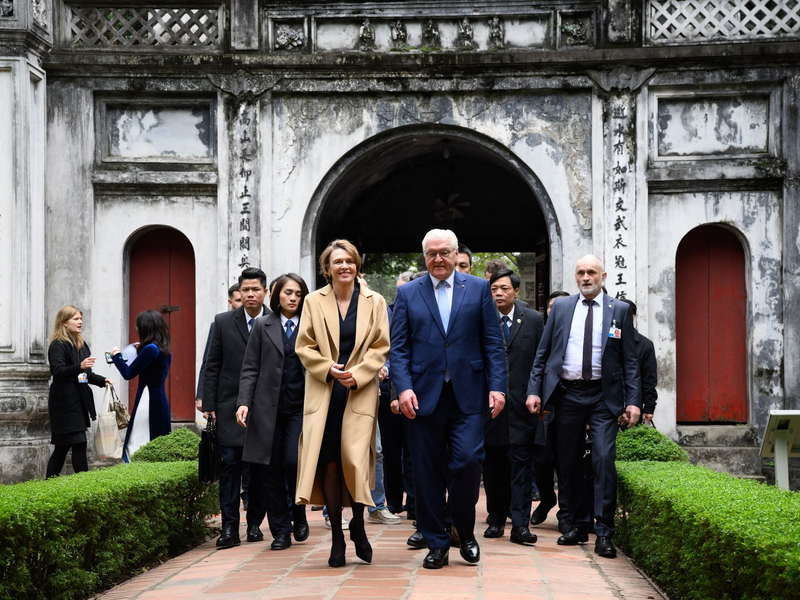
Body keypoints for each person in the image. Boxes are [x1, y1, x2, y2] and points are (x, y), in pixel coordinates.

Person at [390, 228, 506, 569]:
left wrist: (498, 387)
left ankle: (464, 532)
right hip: (422, 397)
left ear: (456, 255)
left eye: (444, 252)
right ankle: (437, 542)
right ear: (424, 257)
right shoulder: (409, 293)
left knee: (468, 462)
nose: (438, 259)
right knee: (425, 474)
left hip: (468, 394)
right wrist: (404, 387)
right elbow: (398, 348)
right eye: (431, 254)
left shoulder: (480, 290)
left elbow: (492, 343)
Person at [526, 255, 641, 559]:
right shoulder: (562, 308)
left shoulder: (620, 310)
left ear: (603, 275)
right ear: (575, 277)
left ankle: (604, 531)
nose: (586, 277)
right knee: (569, 463)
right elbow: (544, 353)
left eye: (591, 272)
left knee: (603, 459)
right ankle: (577, 524)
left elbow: (630, 361)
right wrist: (534, 391)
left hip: (603, 398)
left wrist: (633, 401)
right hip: (567, 396)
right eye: (580, 272)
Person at [295, 239, 390, 568]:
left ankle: (359, 524)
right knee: (330, 463)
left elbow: (381, 346)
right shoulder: (312, 301)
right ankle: (337, 534)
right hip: (324, 390)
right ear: (327, 268)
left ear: (356, 266)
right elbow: (304, 345)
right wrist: (327, 368)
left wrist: (360, 373)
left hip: (358, 389)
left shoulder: (375, 301)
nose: (344, 266)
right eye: (338, 262)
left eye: (349, 261)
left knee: (355, 460)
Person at [237, 273, 310, 551]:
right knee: (269, 470)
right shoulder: (261, 325)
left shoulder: (310, 324)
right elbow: (250, 367)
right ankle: (281, 530)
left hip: (300, 407)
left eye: (298, 294)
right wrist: (244, 402)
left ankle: (298, 513)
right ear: (276, 295)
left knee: (293, 462)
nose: (293, 298)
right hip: (266, 409)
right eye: (288, 293)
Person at [203, 267, 270, 549]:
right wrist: (209, 404)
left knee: (257, 470)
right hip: (229, 405)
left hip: (265, 407)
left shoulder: (275, 321)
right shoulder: (222, 322)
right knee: (229, 467)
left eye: (256, 289)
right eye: (246, 290)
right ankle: (229, 527)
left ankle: (254, 523)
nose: (250, 294)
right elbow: (212, 364)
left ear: (265, 291)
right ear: (238, 293)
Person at [483, 269, 543, 545]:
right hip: (490, 405)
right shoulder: (481, 319)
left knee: (521, 465)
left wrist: (537, 394)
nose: (498, 293)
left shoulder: (534, 320)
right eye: (494, 288)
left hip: (522, 405)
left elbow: (540, 362)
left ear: (516, 292)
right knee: (494, 465)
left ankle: (520, 525)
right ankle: (495, 519)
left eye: (504, 288)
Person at [45, 306, 113, 478]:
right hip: (64, 403)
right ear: (64, 322)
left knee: (62, 447)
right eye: (76, 319)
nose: (80, 321)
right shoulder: (57, 345)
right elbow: (58, 371)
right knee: (78, 443)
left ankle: (48, 483)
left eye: (81, 318)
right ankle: (84, 486)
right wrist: (79, 366)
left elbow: (85, 374)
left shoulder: (81, 344)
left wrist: (101, 381)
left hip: (78, 401)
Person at [529, 290, 572, 533]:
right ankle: (547, 498)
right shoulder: (539, 330)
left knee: (566, 461)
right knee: (542, 458)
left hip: (569, 404)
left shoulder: (577, 332)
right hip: (544, 406)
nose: (555, 310)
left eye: (560, 306)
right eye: (551, 306)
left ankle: (565, 513)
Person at [110, 310, 172, 462]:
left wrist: (117, 356)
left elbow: (128, 373)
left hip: (147, 400)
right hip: (159, 398)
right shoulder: (164, 348)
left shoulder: (150, 349)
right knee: (156, 442)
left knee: (138, 441)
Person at [196, 284, 241, 412]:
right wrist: (201, 395)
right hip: (227, 393)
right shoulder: (219, 324)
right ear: (230, 302)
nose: (242, 304)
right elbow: (209, 362)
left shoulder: (260, 323)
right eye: (238, 301)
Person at [619, 299, 658, 426]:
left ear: (633, 317)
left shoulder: (645, 345)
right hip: (606, 406)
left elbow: (649, 378)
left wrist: (649, 407)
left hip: (633, 406)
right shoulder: (607, 342)